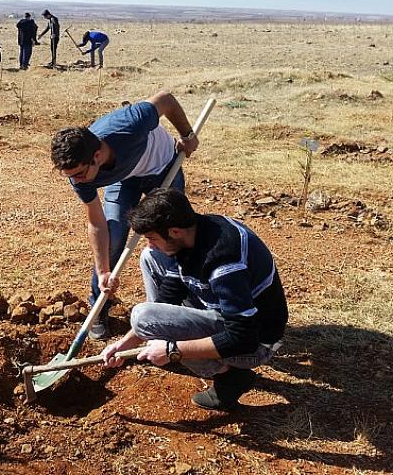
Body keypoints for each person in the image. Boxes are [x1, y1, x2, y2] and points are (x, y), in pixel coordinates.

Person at [101, 188, 289, 410]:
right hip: (221, 311)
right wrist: (123, 344)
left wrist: (173, 349)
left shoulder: (224, 261)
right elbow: (168, 298)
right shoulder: (193, 234)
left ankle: (229, 376)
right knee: (150, 258)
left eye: (152, 238)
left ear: (175, 231)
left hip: (256, 343)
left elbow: (243, 338)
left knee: (143, 315)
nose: (149, 243)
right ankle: (159, 341)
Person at [50, 91, 199, 340]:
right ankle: (99, 308)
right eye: (70, 176)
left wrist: (187, 135)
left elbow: (166, 100)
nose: (75, 182)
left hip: (163, 169)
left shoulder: (130, 123)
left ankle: (182, 306)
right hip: (124, 180)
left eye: (78, 174)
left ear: (96, 156)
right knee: (114, 237)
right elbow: (97, 223)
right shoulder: (80, 175)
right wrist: (102, 271)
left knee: (173, 236)